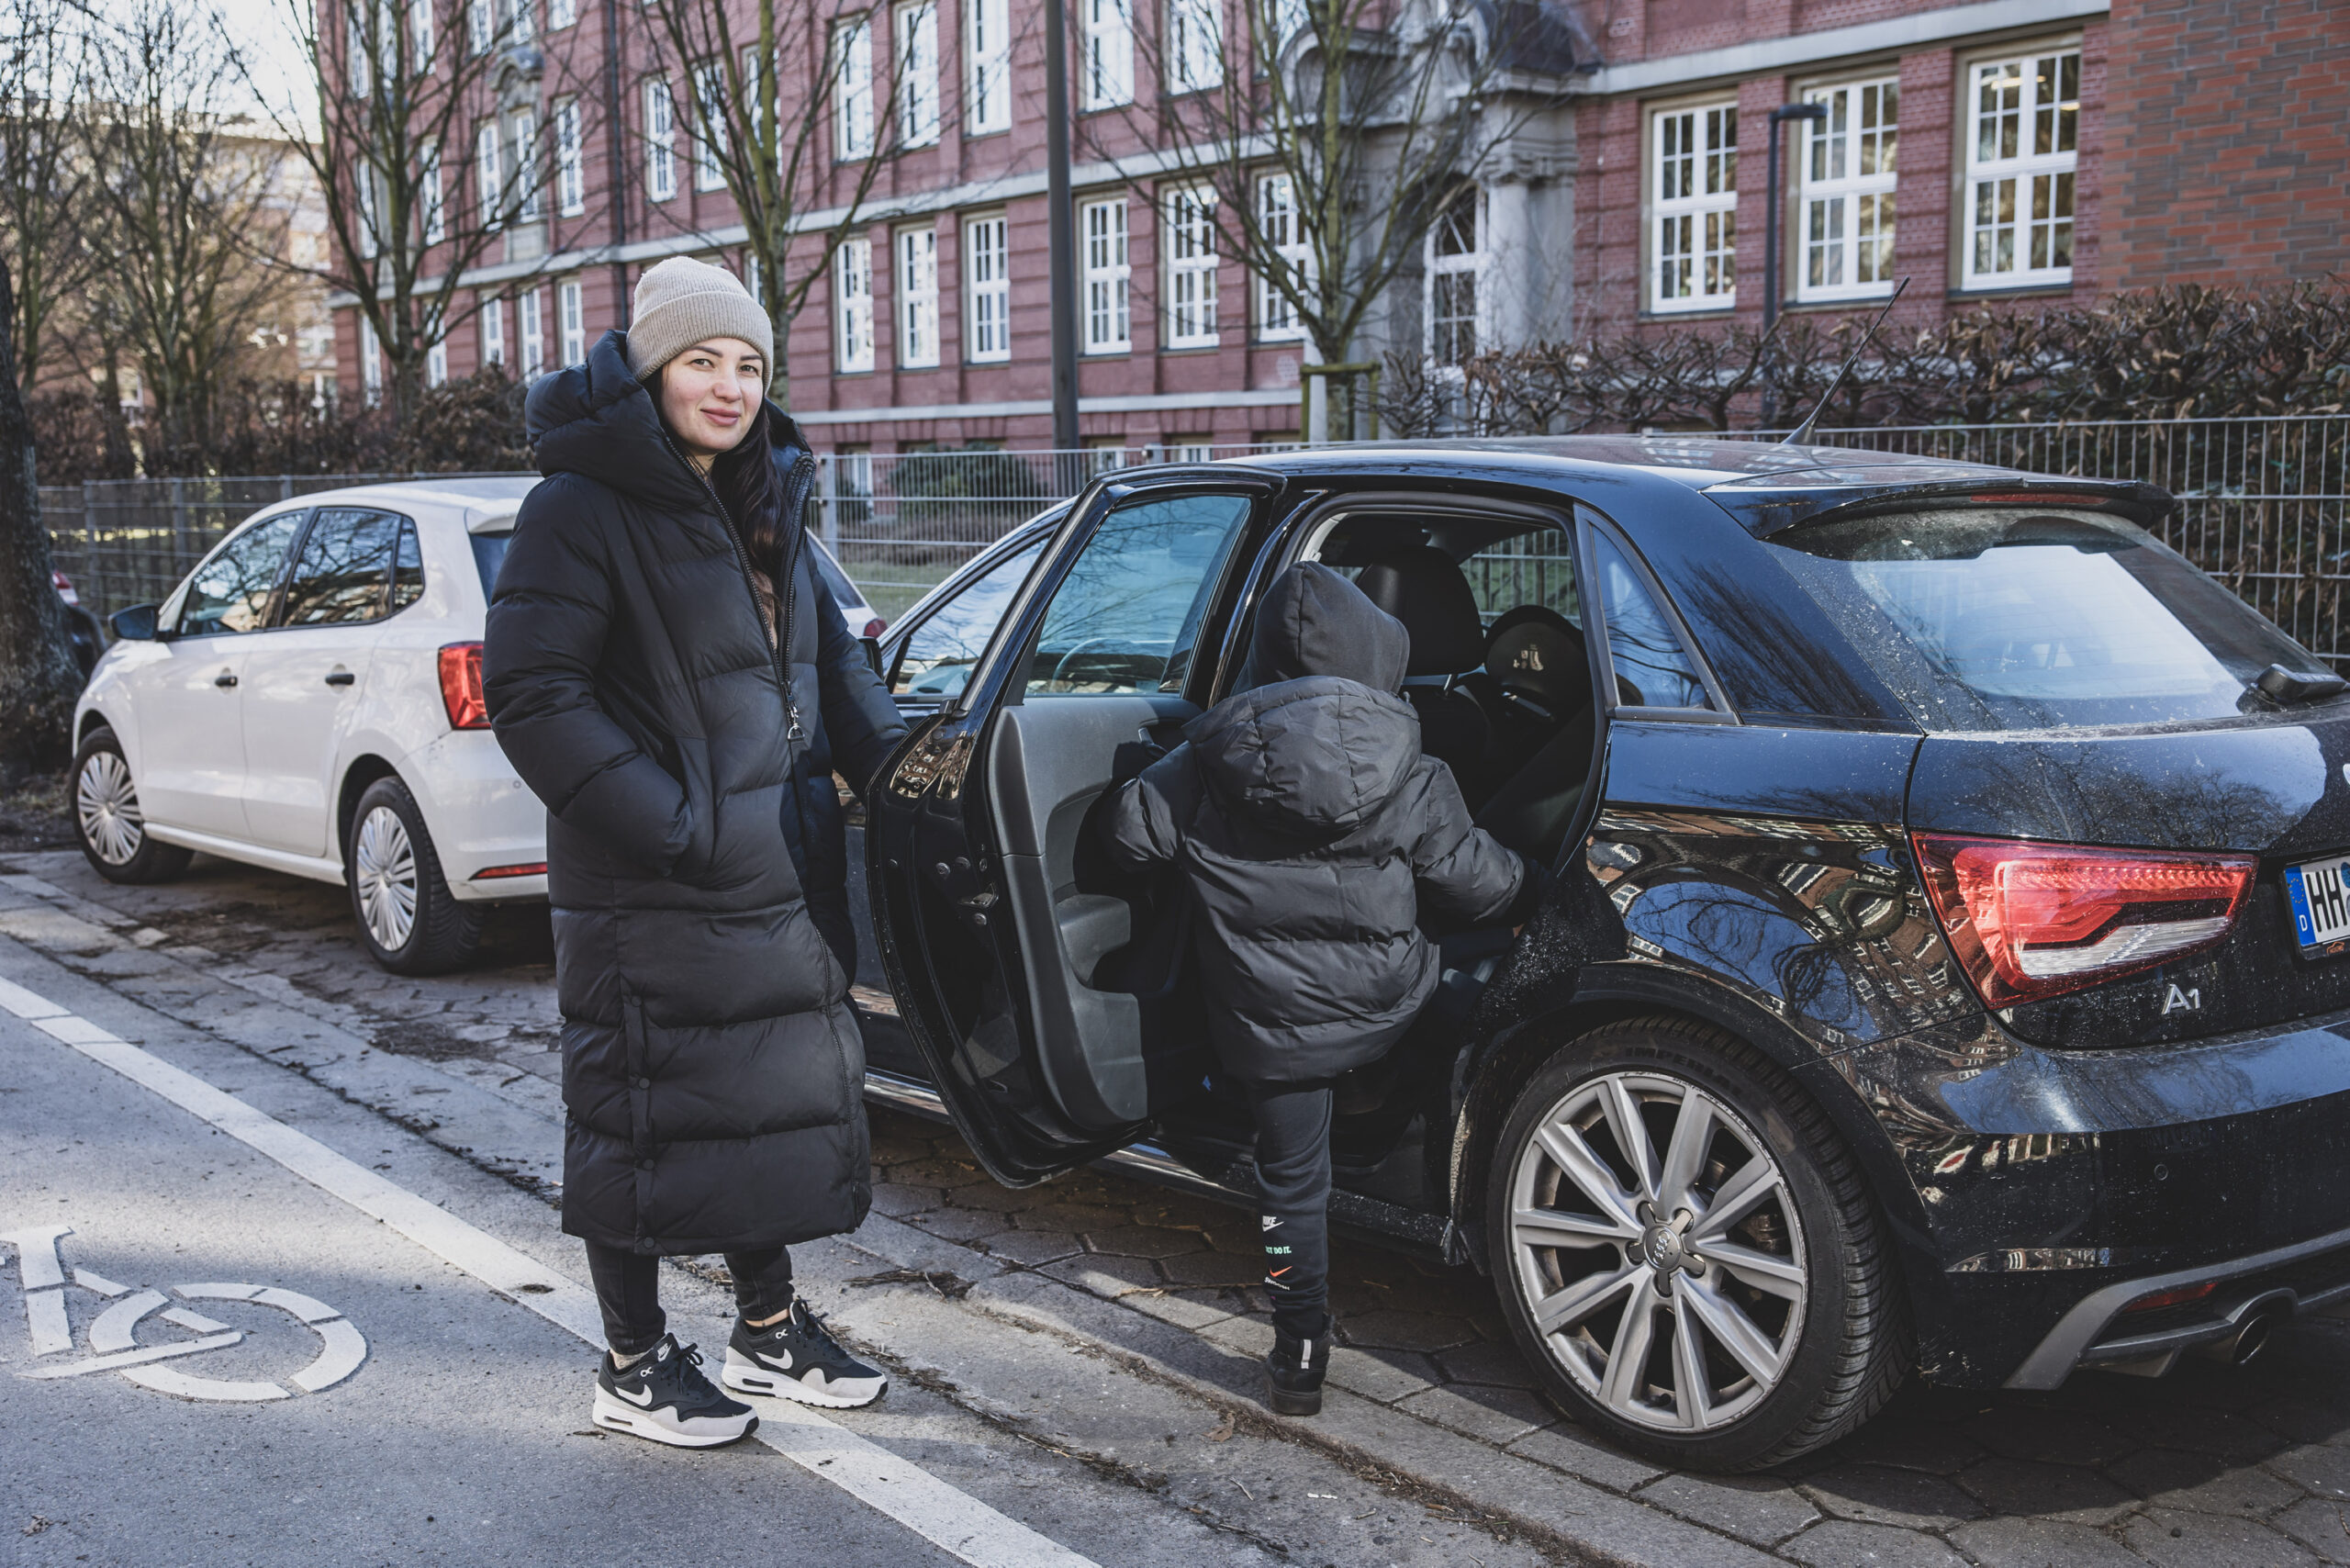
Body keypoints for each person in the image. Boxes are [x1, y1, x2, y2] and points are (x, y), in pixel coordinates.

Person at [483, 256, 907, 1449]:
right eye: (702, 361)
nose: (728, 385)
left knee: (747, 1101)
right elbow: (532, 691)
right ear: (651, 370)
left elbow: (833, 665)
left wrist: (903, 771)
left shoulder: (769, 497)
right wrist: (674, 820)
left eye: (749, 364)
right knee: (638, 1114)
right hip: (645, 882)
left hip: (766, 866)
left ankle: (765, 1330)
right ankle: (628, 1360)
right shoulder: (579, 506)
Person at [1098, 562, 1543, 1417]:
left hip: (1265, 1026)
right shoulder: (1415, 764)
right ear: (1377, 655)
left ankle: (1299, 1349)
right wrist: (1541, 884)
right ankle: (1387, 1107)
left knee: (1291, 1179)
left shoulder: (1197, 764)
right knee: (1445, 1002)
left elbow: (1127, 845)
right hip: (1390, 1006)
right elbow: (1479, 888)